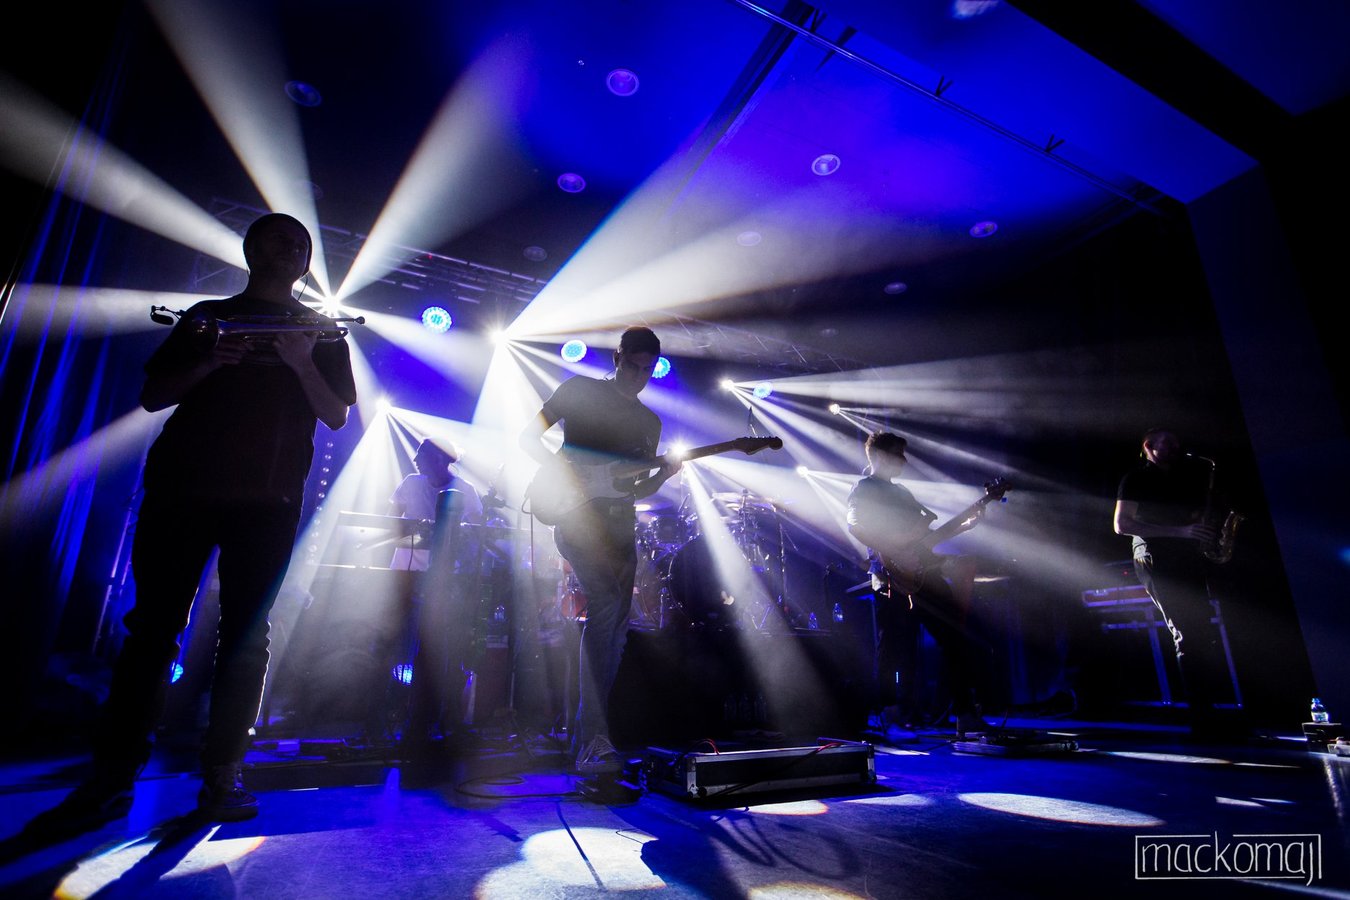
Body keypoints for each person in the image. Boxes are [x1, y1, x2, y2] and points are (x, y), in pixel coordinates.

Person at [26, 213, 356, 836]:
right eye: (279, 239)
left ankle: (223, 772)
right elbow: (154, 395)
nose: (290, 248)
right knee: (153, 632)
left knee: (246, 637)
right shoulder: (208, 315)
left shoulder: (320, 330)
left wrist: (300, 362)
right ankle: (113, 774)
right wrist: (211, 362)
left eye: (301, 243)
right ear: (252, 250)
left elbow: (337, 415)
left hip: (270, 498)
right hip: (184, 488)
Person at [518, 326, 681, 774]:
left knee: (616, 632)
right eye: (633, 366)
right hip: (576, 519)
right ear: (617, 358)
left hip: (619, 529)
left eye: (648, 370)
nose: (639, 377)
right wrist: (564, 473)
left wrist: (663, 475)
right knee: (607, 606)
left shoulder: (649, 423)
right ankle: (593, 737)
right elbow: (528, 438)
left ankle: (587, 737)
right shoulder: (580, 391)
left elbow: (636, 488)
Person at [845, 431, 987, 736]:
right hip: (891, 577)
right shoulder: (864, 489)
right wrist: (894, 551)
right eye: (898, 454)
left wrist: (963, 526)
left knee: (955, 637)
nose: (904, 460)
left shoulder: (903, 493)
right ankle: (890, 714)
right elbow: (855, 526)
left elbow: (925, 539)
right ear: (879, 456)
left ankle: (965, 714)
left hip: (925, 575)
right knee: (895, 648)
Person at [1113, 427, 1242, 738]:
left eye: (1176, 442)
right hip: (1154, 556)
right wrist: (1181, 532)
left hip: (1188, 557)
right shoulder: (1135, 478)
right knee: (1186, 632)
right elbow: (1122, 524)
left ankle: (1211, 710)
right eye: (1167, 443)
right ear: (1148, 446)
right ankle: (1202, 717)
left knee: (1203, 631)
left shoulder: (1185, 477)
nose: (1175, 447)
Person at [387, 438, 483, 571]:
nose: (415, 459)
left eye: (420, 455)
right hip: (402, 569)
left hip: (442, 573)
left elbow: (479, 530)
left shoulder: (465, 488)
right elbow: (390, 521)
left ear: (438, 458)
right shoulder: (411, 482)